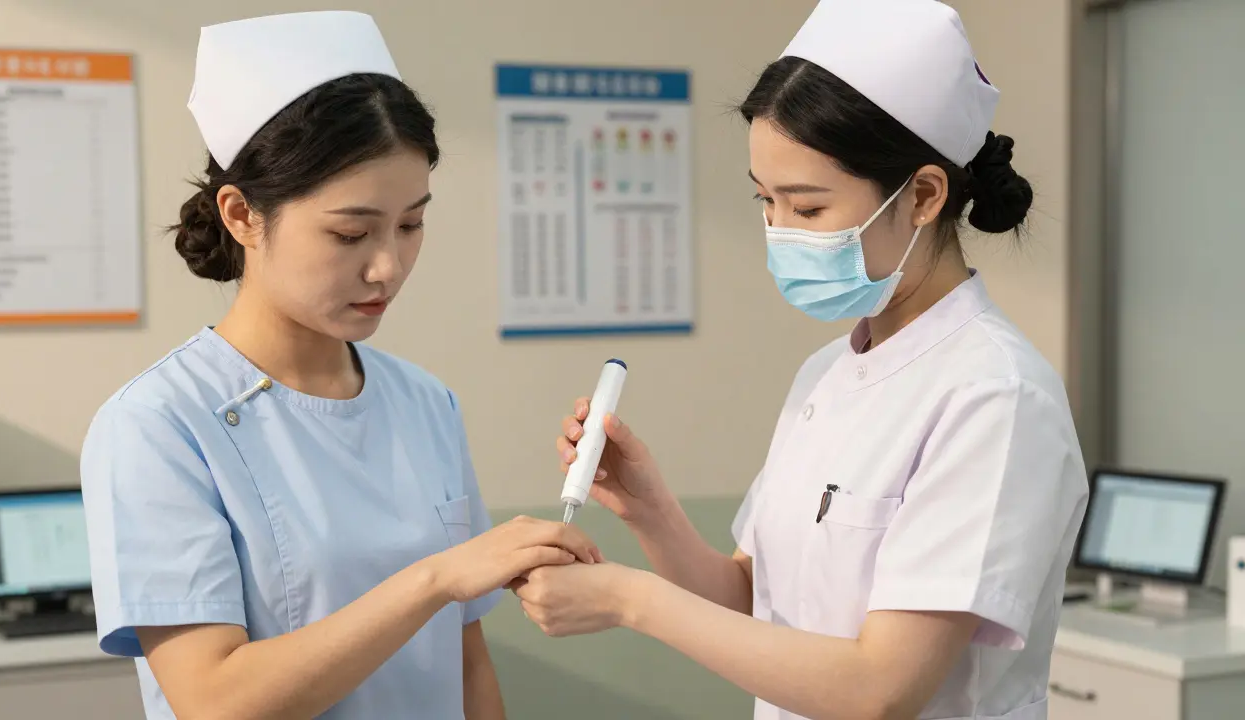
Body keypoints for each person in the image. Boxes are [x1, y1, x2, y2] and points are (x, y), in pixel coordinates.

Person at [510, 1, 1089, 718]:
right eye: (765, 201)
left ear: (925, 196)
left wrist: (630, 600)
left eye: (808, 209)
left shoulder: (996, 397)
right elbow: (753, 605)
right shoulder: (827, 375)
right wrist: (649, 508)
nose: (779, 233)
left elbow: (880, 689)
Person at [79, 11, 600, 720]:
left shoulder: (424, 403)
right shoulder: (159, 425)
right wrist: (435, 580)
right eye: (350, 232)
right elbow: (212, 700)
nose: (387, 265)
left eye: (411, 224)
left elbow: (466, 661)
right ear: (240, 215)